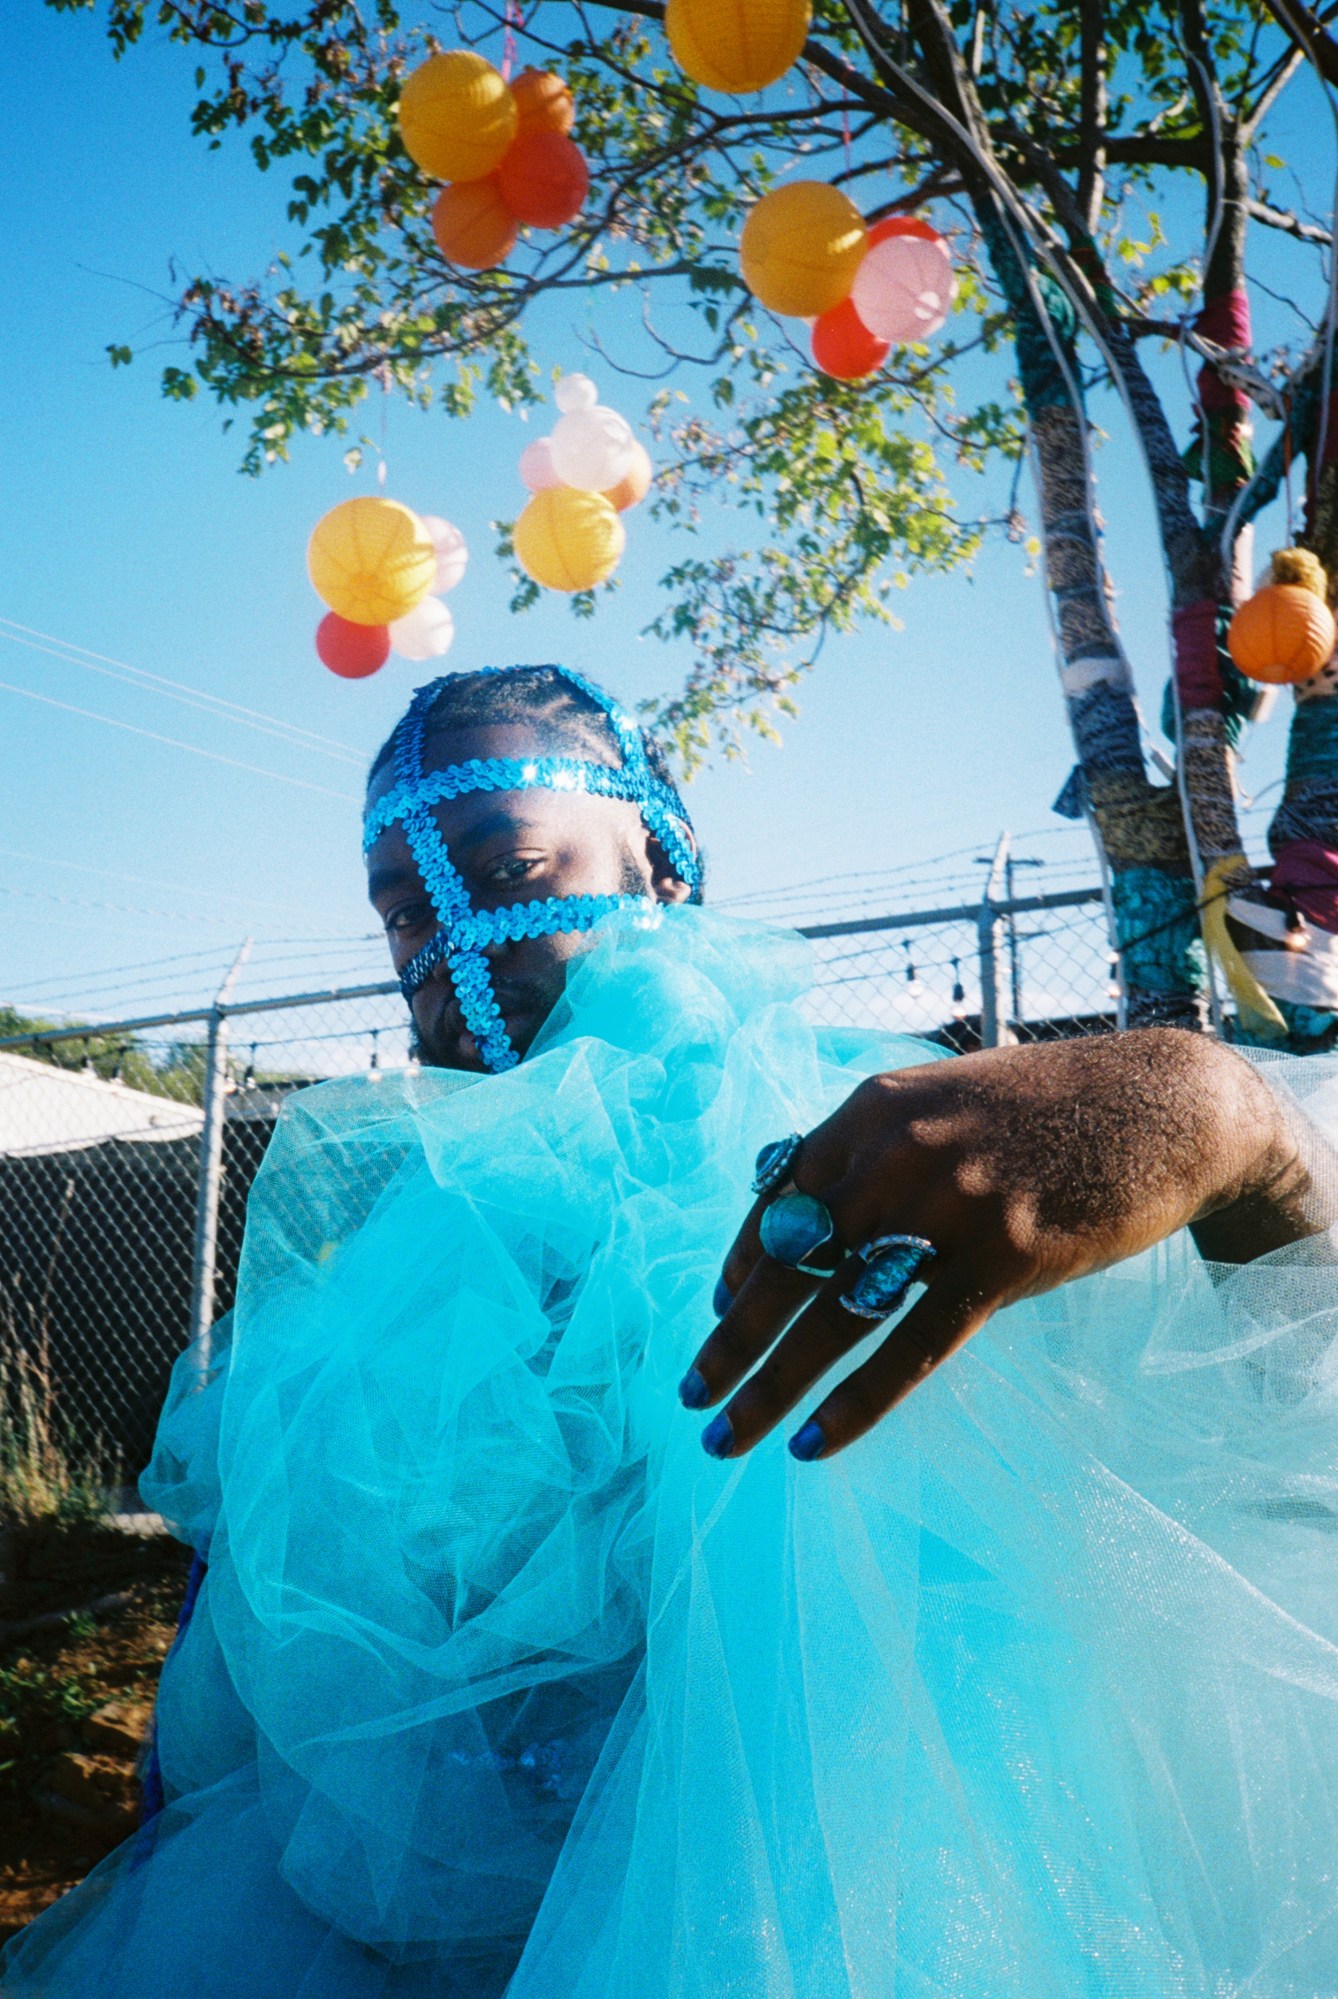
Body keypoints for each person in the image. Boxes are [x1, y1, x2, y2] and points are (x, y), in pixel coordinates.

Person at [5, 663, 1338, 1999]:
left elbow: (1257, 1463)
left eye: (510, 870)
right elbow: (255, 1722)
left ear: (659, 858)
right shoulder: (363, 1286)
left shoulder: (913, 1146)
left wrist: (1233, 1129)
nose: (453, 946)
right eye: (405, 912)